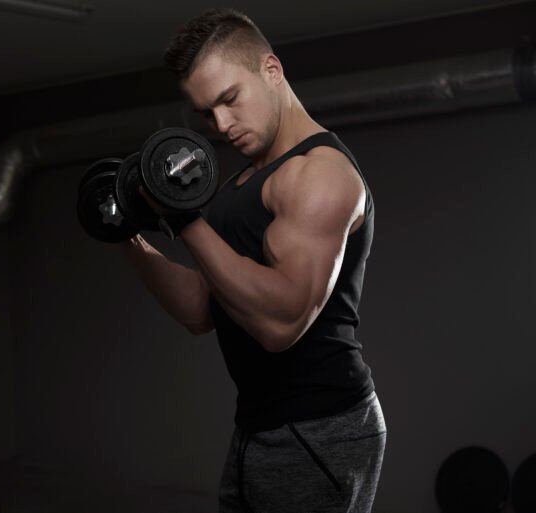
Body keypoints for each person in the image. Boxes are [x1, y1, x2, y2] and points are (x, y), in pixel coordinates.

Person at [120, 7, 386, 513]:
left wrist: (183, 219)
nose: (221, 125)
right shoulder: (241, 182)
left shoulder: (319, 174)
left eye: (229, 100)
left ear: (271, 70)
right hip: (258, 426)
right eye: (205, 113)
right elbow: (204, 307)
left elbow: (280, 322)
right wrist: (127, 234)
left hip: (319, 425)